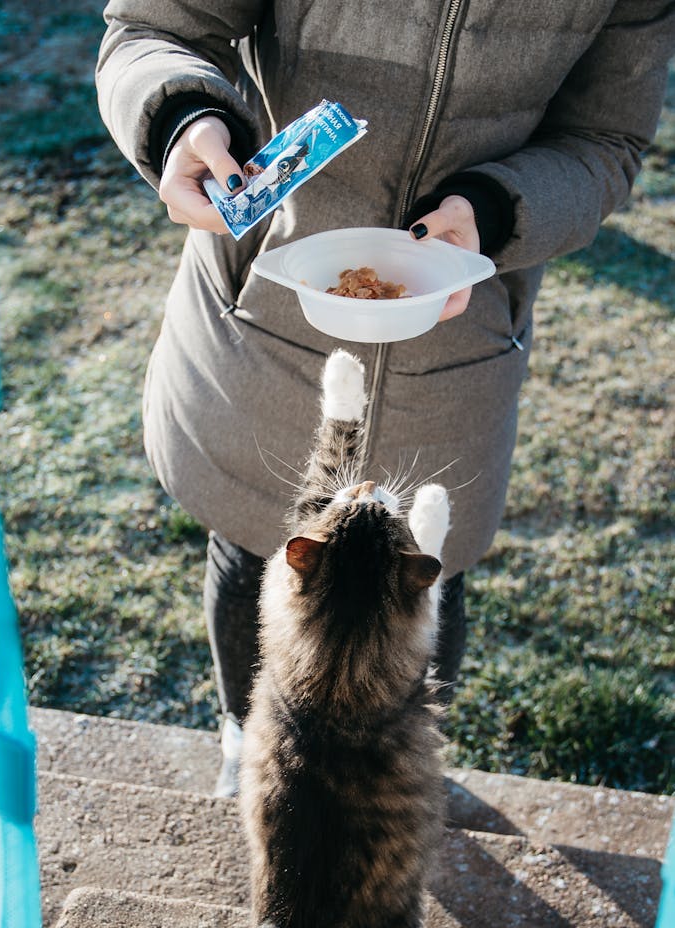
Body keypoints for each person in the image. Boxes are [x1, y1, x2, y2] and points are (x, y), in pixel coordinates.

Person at [96, 1, 674, 795]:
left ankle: (388, 780)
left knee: (427, 571)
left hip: (456, 341)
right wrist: (180, 116)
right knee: (252, 535)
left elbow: (606, 141)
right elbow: (153, 28)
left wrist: (498, 209)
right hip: (264, 305)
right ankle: (250, 737)